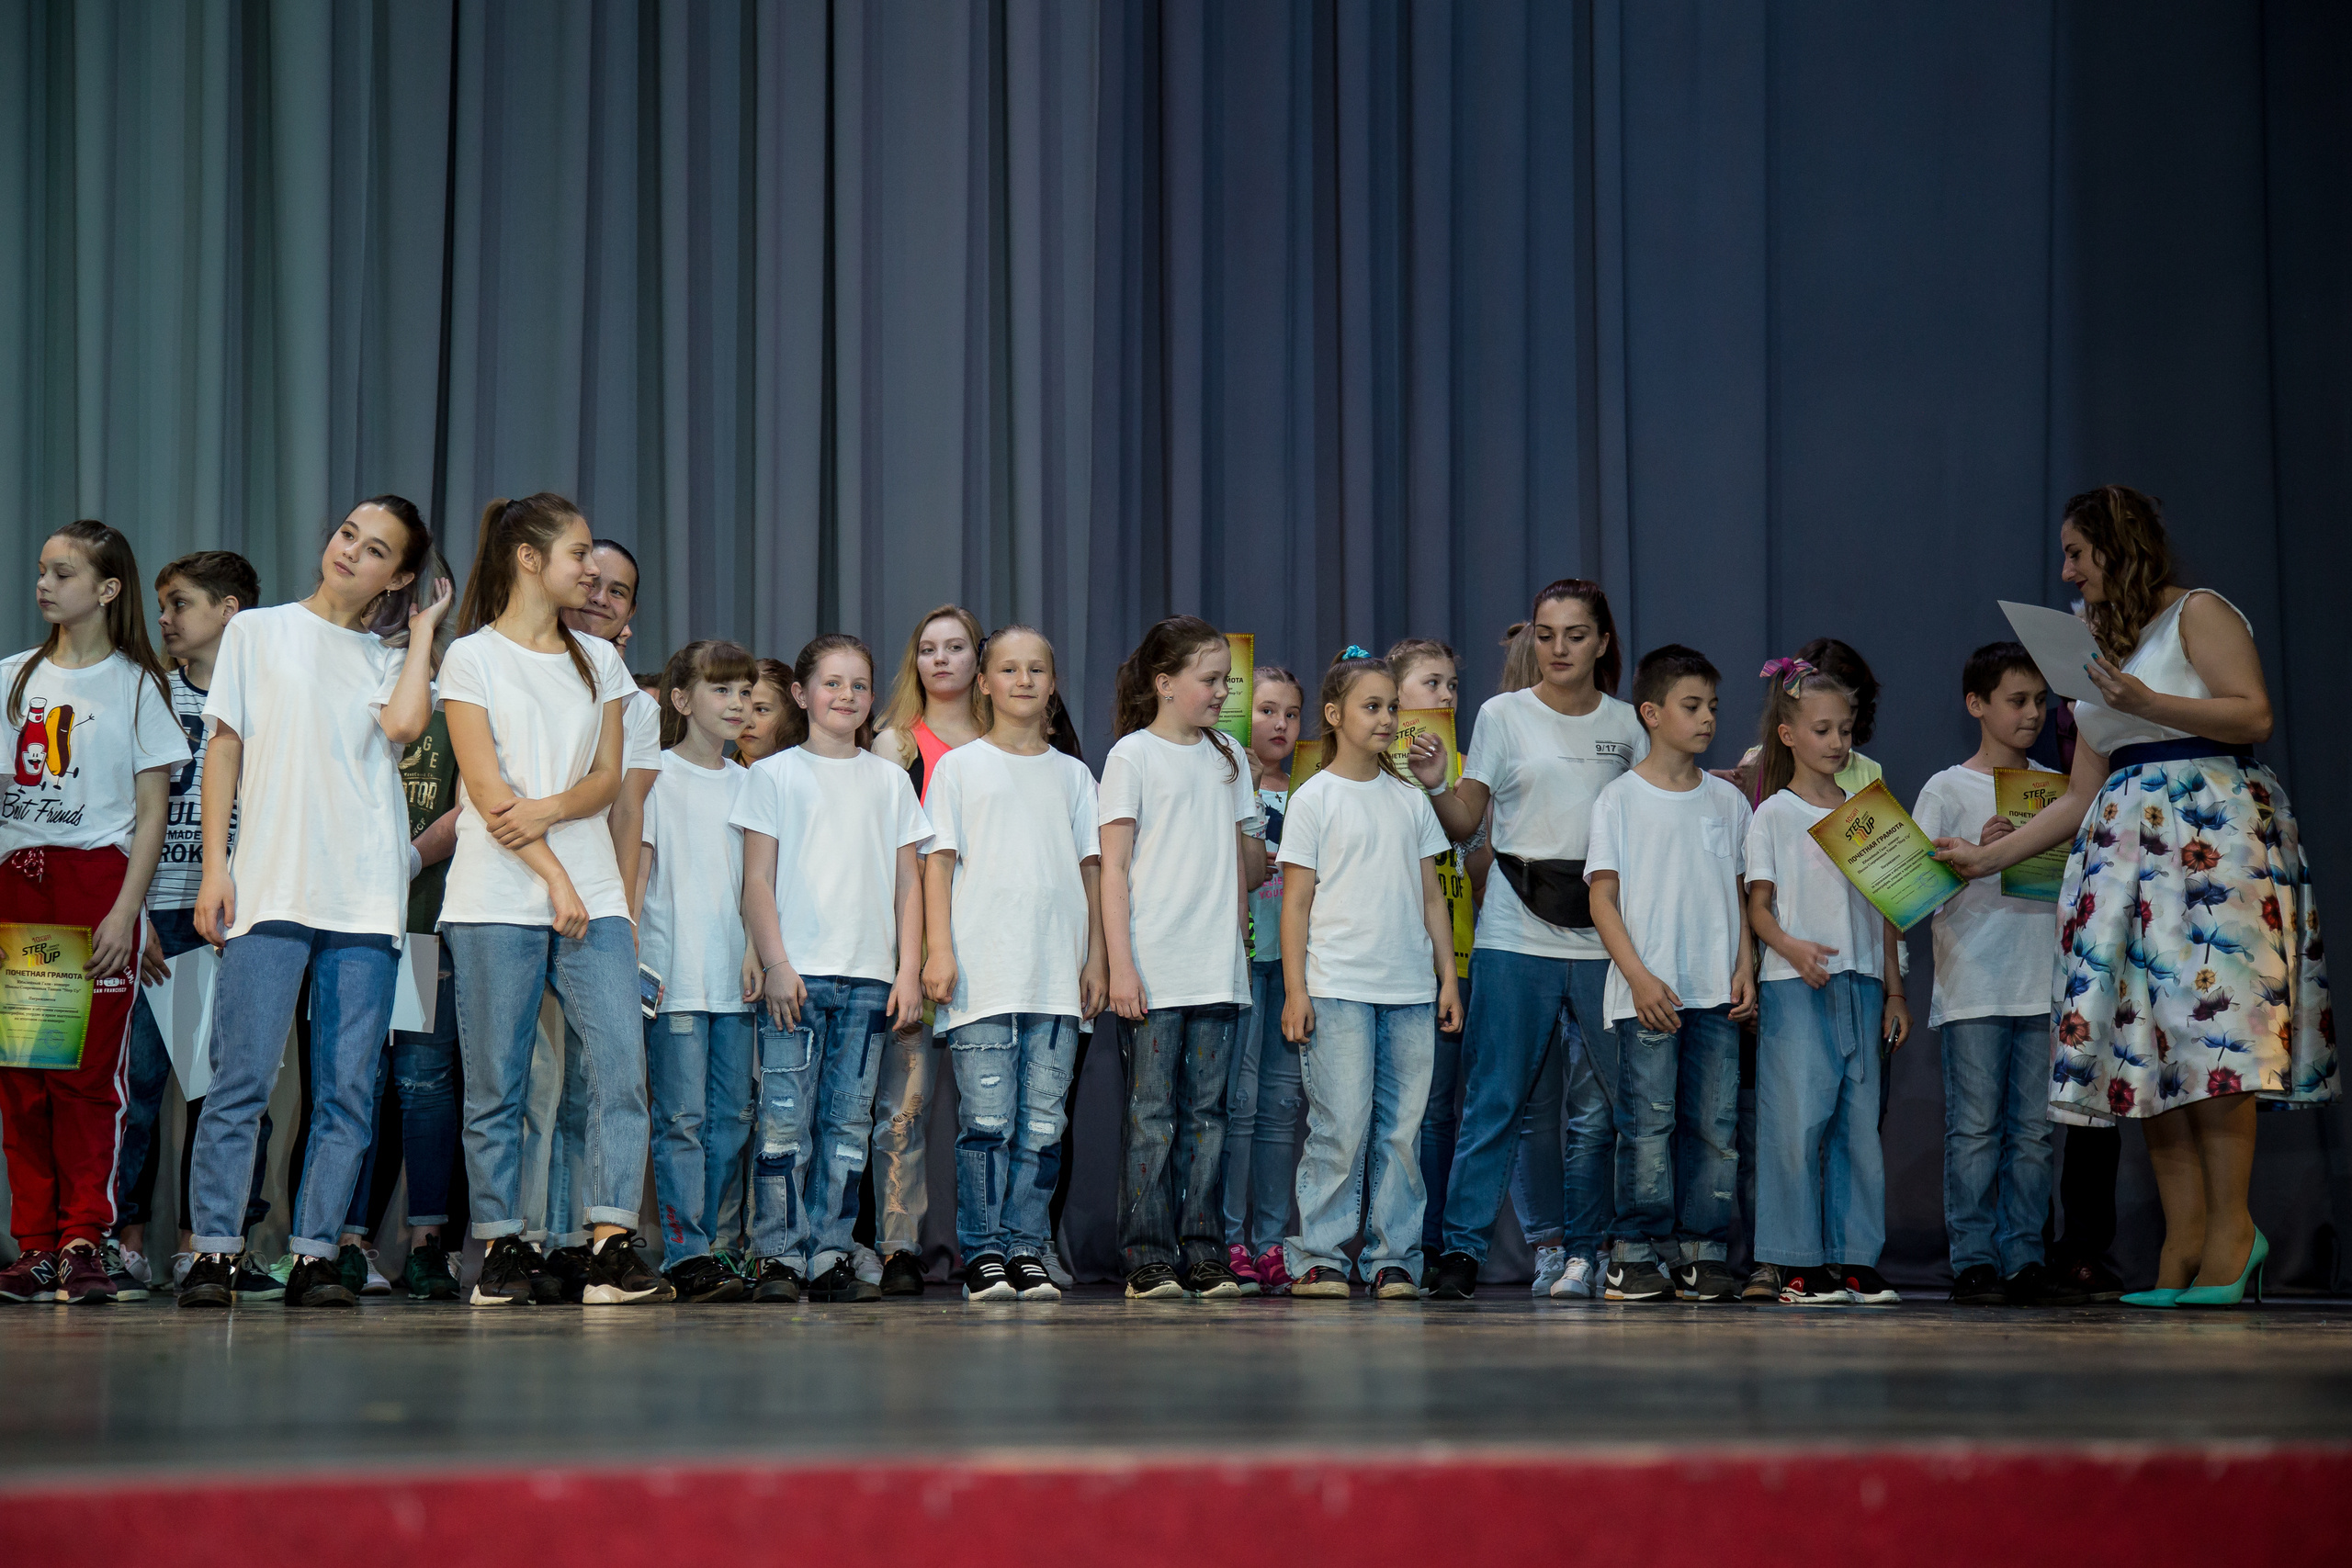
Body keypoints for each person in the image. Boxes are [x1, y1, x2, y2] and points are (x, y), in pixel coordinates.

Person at [1935, 486, 2333, 1308]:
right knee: (2146, 1048)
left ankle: (2233, 1234)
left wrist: (2146, 702)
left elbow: (2251, 711)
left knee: (2212, 1034)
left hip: (2207, 845)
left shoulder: (2197, 612)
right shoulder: (2097, 652)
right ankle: (2184, 1240)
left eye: (2077, 552)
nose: (2067, 570)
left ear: (2117, 548)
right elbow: (2080, 793)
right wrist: (1988, 857)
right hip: (2124, 861)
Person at [176, 501, 445, 1310]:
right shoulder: (257, 631)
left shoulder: (386, 656)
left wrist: (425, 627)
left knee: (348, 1088)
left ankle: (318, 1251)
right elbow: (225, 742)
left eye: (376, 552)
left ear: (396, 575)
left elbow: (403, 723)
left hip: (364, 892)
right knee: (241, 1078)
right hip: (271, 880)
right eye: (347, 535)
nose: (350, 552)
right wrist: (215, 868)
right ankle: (216, 1250)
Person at [438, 492, 668, 1307]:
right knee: (497, 1080)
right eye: (577, 555)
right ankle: (500, 1242)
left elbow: (608, 780)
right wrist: (555, 875)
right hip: (499, 894)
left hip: (595, 894)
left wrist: (556, 819)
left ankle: (608, 1239)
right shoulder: (471, 657)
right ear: (529, 559)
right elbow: (488, 788)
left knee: (619, 1069)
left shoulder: (599, 662)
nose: (591, 570)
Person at [1408, 581, 1645, 1302]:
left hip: (1603, 937)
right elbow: (1463, 818)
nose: (1560, 647)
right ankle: (1460, 1250)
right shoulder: (1501, 715)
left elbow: (1648, 822)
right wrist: (1433, 782)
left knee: (1624, 1104)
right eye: (1546, 633)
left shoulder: (1632, 725)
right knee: (1494, 1100)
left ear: (1603, 641)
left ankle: (1608, 1250)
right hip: (1515, 930)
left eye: (1575, 633)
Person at [0, 522, 187, 1306]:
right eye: (42, 570)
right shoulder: (13, 675)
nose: (44, 584)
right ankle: (36, 1242)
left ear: (107, 590)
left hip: (94, 886)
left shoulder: (137, 684)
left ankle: (87, 1236)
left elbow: (149, 815)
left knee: (87, 1081)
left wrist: (125, 911)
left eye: (63, 572)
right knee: (26, 1075)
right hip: (22, 884)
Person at [736, 635, 930, 1304]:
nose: (845, 695)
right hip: (798, 980)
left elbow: (910, 884)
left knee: (847, 1127)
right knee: (784, 1122)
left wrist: (909, 971)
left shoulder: (888, 780)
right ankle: (779, 1256)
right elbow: (756, 881)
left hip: (870, 979)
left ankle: (828, 1251)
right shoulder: (774, 775)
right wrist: (778, 962)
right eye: (831, 683)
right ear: (801, 693)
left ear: (872, 697)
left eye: (858, 685)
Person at [921, 626, 1106, 1302]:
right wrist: (939, 949)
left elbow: (1093, 872)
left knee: (1043, 1124)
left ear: (1052, 684)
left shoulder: (1074, 775)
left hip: (1056, 977)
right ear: (986, 683)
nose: (1023, 679)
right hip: (984, 974)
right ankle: (984, 1251)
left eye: (1037, 669)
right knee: (987, 1122)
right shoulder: (960, 768)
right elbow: (937, 865)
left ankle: (1027, 1246)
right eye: (1009, 668)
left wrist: (1097, 960)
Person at [1279, 649, 1460, 1302]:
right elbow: (1296, 902)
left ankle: (1394, 1256)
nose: (1386, 718)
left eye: (1392, 706)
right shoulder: (1314, 798)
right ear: (1334, 714)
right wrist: (1297, 990)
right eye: (1371, 706)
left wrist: (1446, 976)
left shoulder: (1410, 800)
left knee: (1402, 1130)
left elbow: (1433, 896)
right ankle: (1320, 1253)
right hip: (1337, 990)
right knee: (1341, 1123)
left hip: (1410, 991)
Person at [1101, 615, 1264, 1300]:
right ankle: (1147, 1254)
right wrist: (1121, 965)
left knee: (1208, 1114)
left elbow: (1247, 861)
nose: (1223, 691)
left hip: (1215, 965)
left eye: (1226, 679)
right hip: (1155, 965)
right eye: (1210, 679)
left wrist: (1252, 843)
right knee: (1151, 1115)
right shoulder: (1131, 756)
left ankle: (1203, 1248)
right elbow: (1113, 870)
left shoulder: (1230, 754)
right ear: (1165, 684)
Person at [1584, 645, 1754, 1303]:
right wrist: (1639, 977)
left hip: (1714, 992)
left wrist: (1745, 965)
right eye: (1692, 706)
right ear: (1651, 713)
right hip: (1647, 994)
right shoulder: (1619, 800)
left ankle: (1703, 1248)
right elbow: (1603, 896)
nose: (1707, 717)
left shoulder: (1729, 803)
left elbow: (1741, 896)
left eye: (1712, 705)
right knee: (1646, 1126)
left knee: (1714, 1127)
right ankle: (1635, 1249)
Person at [113, 550, 258, 1298]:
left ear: (229, 610)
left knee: (228, 1087)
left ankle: (206, 1242)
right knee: (137, 1087)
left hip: (235, 914)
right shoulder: (148, 694)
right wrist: (132, 914)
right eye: (162, 605)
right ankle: (127, 1240)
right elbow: (118, 813)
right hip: (153, 909)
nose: (164, 618)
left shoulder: (264, 698)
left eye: (179, 604)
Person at [1744, 658, 1911, 1307]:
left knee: (1857, 1125)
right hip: (1797, 983)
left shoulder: (1868, 812)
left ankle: (1853, 1258)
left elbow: (1889, 908)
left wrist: (1894, 989)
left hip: (1862, 983)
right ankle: (1793, 1262)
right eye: (1822, 730)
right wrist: (1791, 947)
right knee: (1793, 1124)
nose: (1837, 742)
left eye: (1844, 729)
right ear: (1788, 735)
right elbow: (1758, 905)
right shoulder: (1775, 815)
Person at [520, 539, 662, 1277]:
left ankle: (585, 1240)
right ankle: (528, 1242)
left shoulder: (635, 704)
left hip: (595, 905)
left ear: (632, 612)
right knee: (533, 1084)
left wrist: (626, 918)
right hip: (518, 893)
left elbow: (629, 813)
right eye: (593, 582)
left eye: (620, 591)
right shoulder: (512, 662)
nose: (602, 596)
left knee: (597, 1080)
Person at [1912, 641, 2059, 1306]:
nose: (2032, 714)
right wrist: (1971, 857)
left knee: (2032, 1132)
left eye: (2039, 701)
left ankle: (2025, 1252)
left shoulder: (2057, 792)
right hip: (1974, 982)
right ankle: (1973, 1255)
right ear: (1977, 704)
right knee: (1974, 1128)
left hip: (2042, 981)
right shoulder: (1946, 788)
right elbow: (1913, 894)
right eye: (2017, 700)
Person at [865, 605, 989, 1296]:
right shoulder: (895, 746)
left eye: (956, 647)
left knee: (991, 1114)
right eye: (928, 649)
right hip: (913, 946)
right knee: (904, 1108)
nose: (941, 659)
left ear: (978, 659)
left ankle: (995, 1244)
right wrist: (910, 957)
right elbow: (894, 860)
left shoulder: (1009, 743)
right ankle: (898, 1244)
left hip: (993, 948)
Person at [637, 638, 758, 1303]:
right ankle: (686, 1251)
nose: (738, 702)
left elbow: (757, 882)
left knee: (732, 1119)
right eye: (722, 690)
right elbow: (642, 868)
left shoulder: (751, 782)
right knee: (680, 1118)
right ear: (682, 700)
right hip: (674, 975)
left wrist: (755, 951)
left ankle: (717, 1243)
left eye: (744, 691)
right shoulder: (653, 774)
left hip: (734, 980)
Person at [1223, 664, 1305, 1296]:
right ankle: (1228, 1237)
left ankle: (1274, 1238)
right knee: (1240, 1103)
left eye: (1291, 714)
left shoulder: (1313, 788)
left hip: (1297, 964)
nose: (1279, 724)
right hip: (1244, 959)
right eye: (1268, 710)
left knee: (1283, 1104)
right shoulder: (1228, 782)